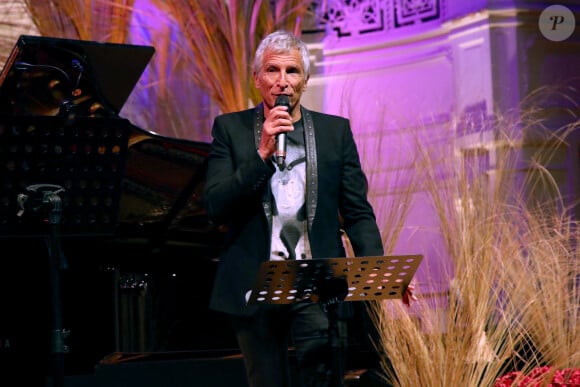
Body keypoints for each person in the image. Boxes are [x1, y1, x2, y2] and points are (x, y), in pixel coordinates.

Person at [203, 30, 416, 387]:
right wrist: (262, 154)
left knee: (321, 380)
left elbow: (358, 212)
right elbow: (215, 206)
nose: (282, 82)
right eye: (273, 70)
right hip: (255, 286)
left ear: (306, 79)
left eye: (293, 71)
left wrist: (379, 276)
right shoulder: (231, 129)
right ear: (257, 79)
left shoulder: (335, 132)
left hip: (317, 284)